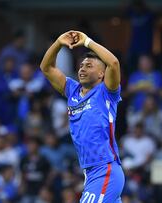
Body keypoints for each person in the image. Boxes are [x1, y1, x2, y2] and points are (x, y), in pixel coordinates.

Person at [40, 30, 124, 203]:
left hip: (105, 169)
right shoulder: (72, 90)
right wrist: (58, 43)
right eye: (81, 66)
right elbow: (46, 68)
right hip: (89, 172)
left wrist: (87, 42)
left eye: (89, 66)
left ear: (102, 74)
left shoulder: (106, 92)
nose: (82, 69)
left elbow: (113, 63)